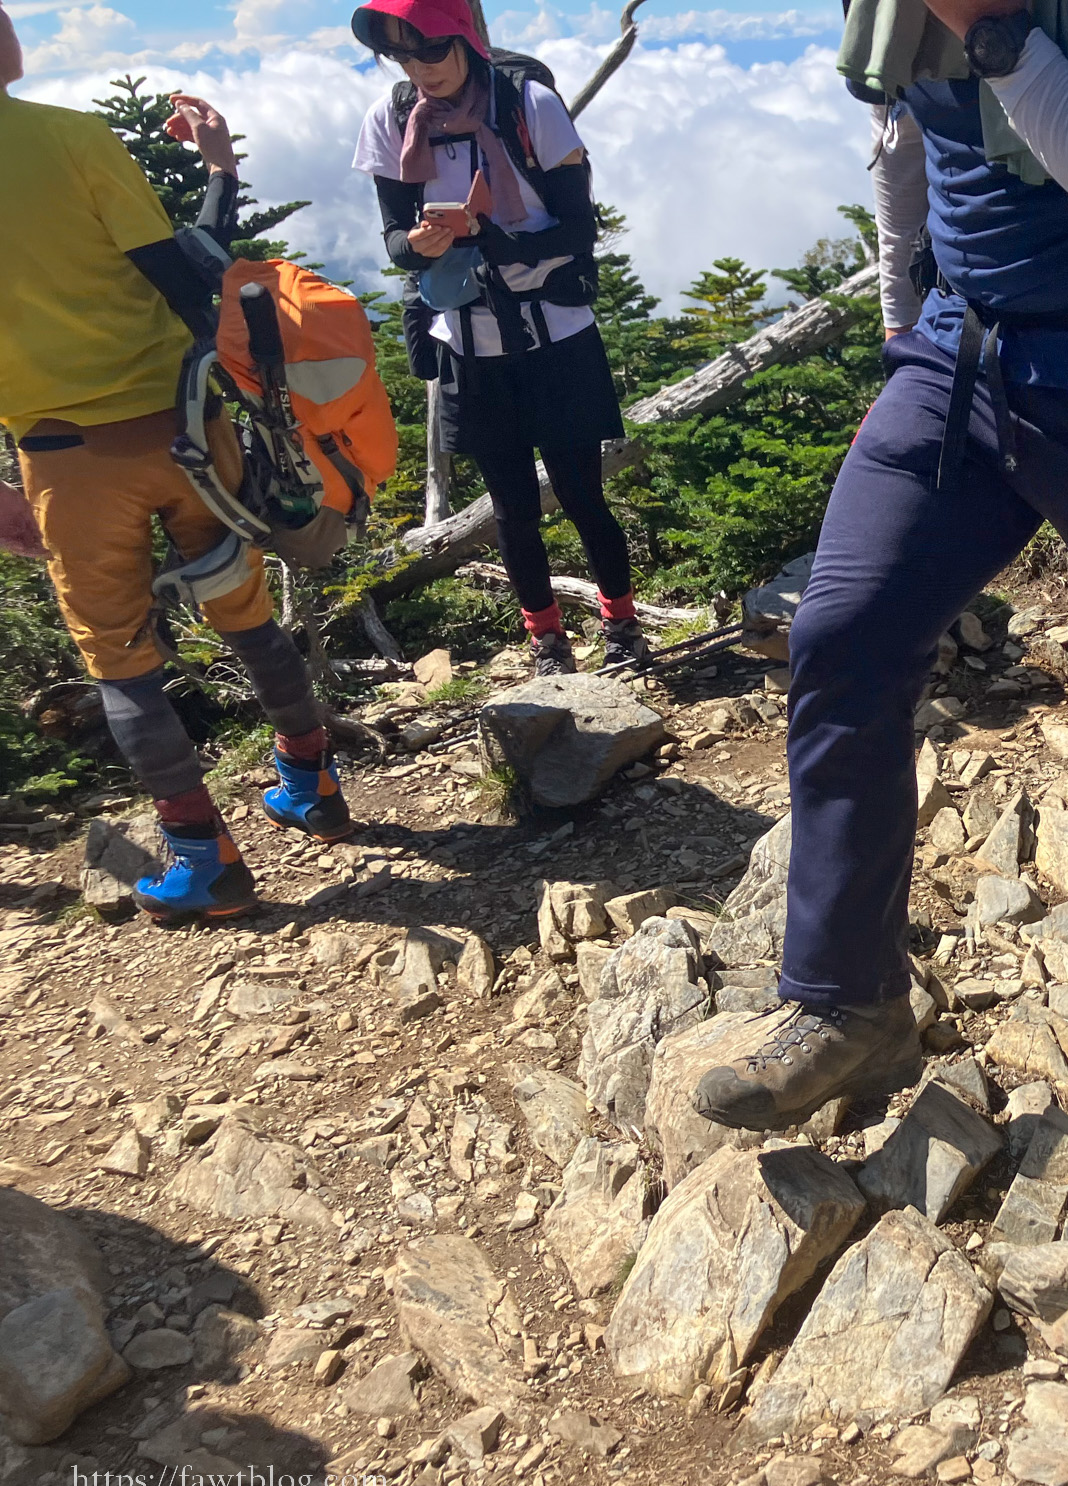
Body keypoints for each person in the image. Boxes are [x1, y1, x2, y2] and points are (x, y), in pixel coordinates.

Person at [691, 0, 1068, 1132]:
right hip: (959, 361)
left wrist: (992, 28)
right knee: (841, 638)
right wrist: (903, 326)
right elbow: (908, 137)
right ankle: (848, 1000)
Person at [0, 4, 353, 919]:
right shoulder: (74, 138)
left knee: (120, 659)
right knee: (246, 613)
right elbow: (190, 273)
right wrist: (220, 174)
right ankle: (311, 785)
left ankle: (205, 860)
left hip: (67, 459)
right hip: (189, 428)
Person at [350, 0, 646, 676]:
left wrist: (495, 242)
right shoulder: (392, 119)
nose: (418, 69)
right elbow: (394, 239)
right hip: (469, 344)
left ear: (463, 39)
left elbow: (578, 228)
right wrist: (420, 245)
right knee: (512, 510)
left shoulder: (529, 104)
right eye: (401, 55)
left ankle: (622, 626)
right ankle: (547, 642)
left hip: (555, 337)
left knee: (582, 496)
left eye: (430, 50)